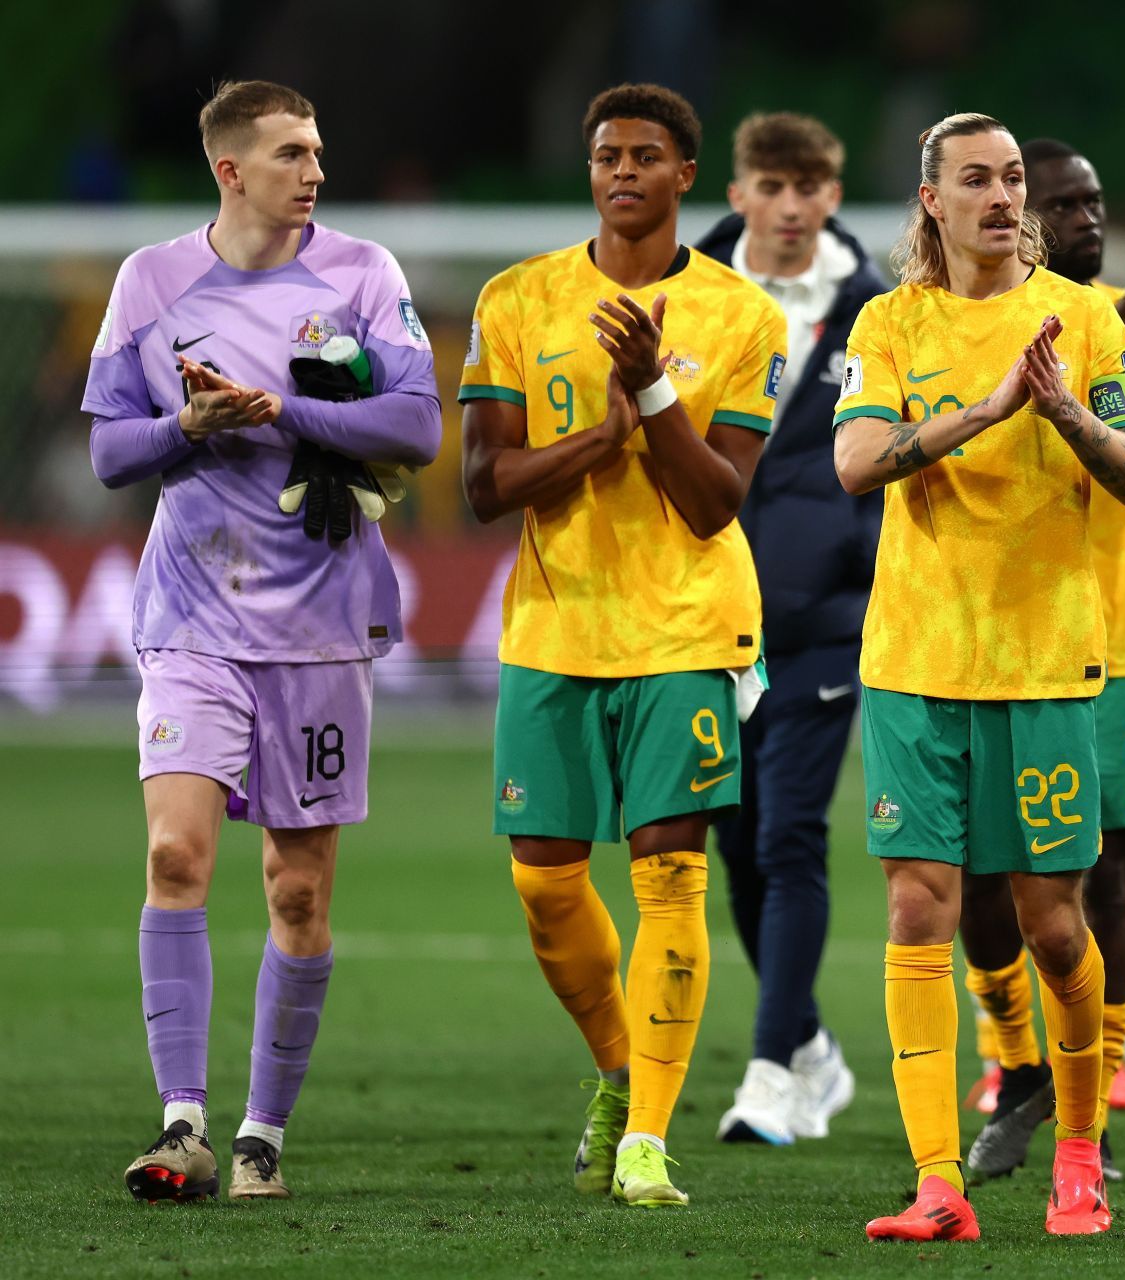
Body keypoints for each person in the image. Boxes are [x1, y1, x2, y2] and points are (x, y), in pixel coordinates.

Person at [84, 79, 439, 1202]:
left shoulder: (363, 274)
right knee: (176, 854)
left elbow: (419, 424)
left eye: (319, 150)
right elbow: (109, 457)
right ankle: (182, 1120)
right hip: (191, 613)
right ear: (230, 170)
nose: (315, 170)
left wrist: (283, 412)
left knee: (297, 893)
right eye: (292, 152)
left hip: (324, 623)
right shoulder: (149, 282)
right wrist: (189, 424)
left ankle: (261, 1135)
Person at [832, 112, 1125, 1242]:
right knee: (919, 905)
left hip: (1045, 658)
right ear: (933, 198)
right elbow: (854, 461)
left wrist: (1063, 408)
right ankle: (936, 1181)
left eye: (1014, 177)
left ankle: (1079, 1150)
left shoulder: (1086, 320)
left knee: (1053, 923)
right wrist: (981, 413)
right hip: (917, 658)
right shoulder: (890, 321)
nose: (1004, 196)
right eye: (977, 179)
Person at [459, 83, 786, 1209]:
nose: (624, 171)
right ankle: (618, 1066)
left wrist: (649, 389)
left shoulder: (745, 316)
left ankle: (647, 1132)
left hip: (688, 628)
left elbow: (713, 505)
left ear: (686, 173)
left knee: (670, 872)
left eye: (647, 154)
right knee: (545, 881)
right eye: (607, 155)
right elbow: (480, 485)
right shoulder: (518, 299)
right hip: (555, 625)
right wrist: (597, 438)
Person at [957, 140, 1125, 1183]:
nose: (1080, 216)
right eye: (1063, 201)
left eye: (1092, 202)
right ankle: (1015, 1058)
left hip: (1119, 645)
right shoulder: (988, 318)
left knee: (1109, 878)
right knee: (983, 883)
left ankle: (1093, 1110)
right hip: (996, 640)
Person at [694, 111, 886, 1148]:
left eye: (811, 185)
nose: (793, 204)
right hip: (707, 618)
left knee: (788, 833)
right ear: (740, 195)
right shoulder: (692, 295)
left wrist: (863, 561)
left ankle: (770, 1073)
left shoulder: (873, 308)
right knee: (736, 846)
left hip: (822, 623)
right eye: (774, 184)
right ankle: (810, 1046)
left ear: (831, 194)